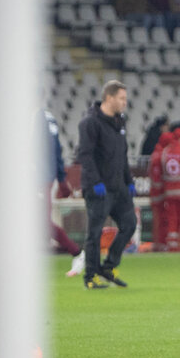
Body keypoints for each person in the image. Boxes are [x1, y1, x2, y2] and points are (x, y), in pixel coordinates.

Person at [76, 80, 137, 289]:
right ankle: (90, 276)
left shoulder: (120, 122)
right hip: (98, 188)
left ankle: (109, 266)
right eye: (121, 98)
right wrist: (95, 182)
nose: (124, 103)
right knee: (94, 233)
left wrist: (129, 181)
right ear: (109, 98)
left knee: (129, 224)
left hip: (118, 187)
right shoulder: (90, 123)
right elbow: (84, 155)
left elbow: (123, 155)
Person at [40, 107, 84, 276]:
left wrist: (61, 178)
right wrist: (60, 178)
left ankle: (77, 253)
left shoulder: (37, 118)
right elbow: (57, 150)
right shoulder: (47, 118)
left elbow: (55, 150)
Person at [147, 131, 173, 252]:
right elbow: (157, 180)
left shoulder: (158, 154)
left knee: (161, 222)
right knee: (161, 222)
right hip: (159, 196)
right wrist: (164, 194)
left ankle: (161, 244)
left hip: (158, 195)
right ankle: (161, 245)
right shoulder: (159, 156)